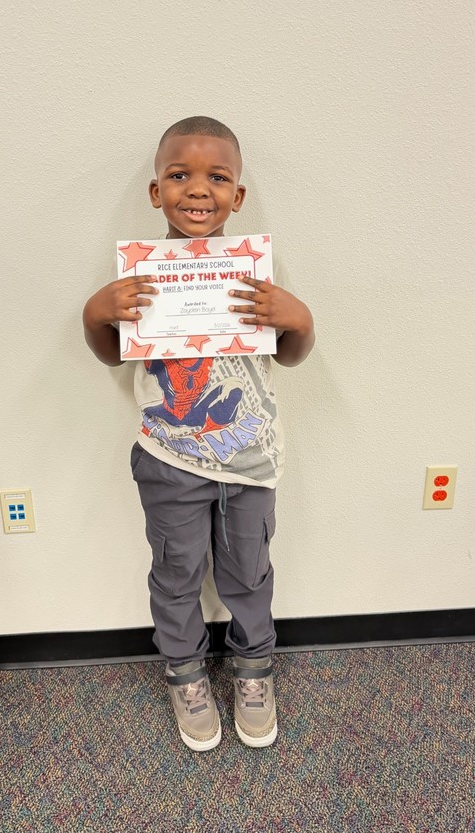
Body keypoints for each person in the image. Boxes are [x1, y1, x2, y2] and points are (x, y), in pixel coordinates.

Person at [82, 116, 314, 751]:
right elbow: (110, 354)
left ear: (238, 195)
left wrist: (300, 320)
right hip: (167, 457)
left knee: (248, 570)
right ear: (155, 192)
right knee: (177, 570)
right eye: (178, 175)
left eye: (217, 177)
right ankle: (185, 674)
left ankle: (254, 669)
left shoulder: (252, 278)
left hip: (249, 459)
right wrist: (96, 313)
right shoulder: (140, 279)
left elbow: (289, 357)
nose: (197, 190)